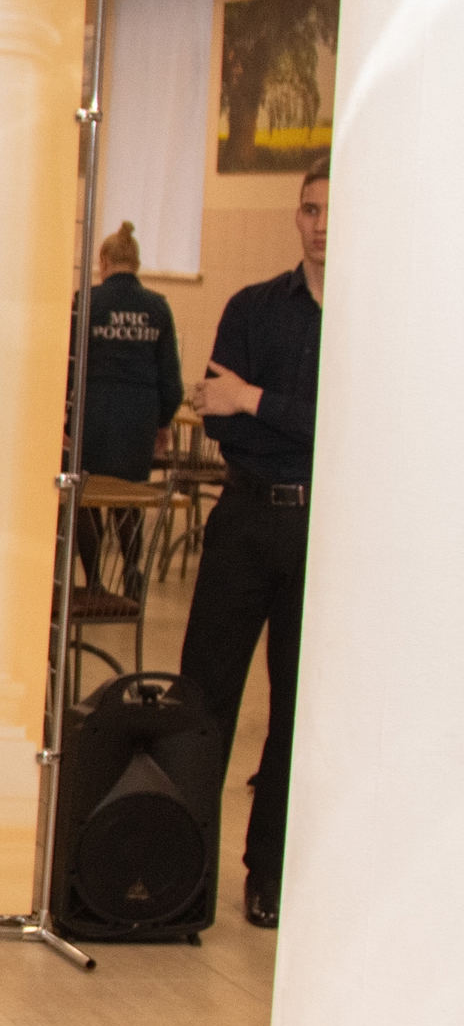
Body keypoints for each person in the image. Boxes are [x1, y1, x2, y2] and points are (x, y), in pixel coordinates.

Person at [180, 156, 327, 929]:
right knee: (203, 699)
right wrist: (275, 412)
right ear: (296, 216)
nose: (321, 225)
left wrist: (255, 398)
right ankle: (180, 872)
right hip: (242, 518)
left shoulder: (369, 320)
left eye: (333, 211)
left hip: (320, 530)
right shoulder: (252, 306)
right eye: (310, 209)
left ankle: (266, 873)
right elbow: (217, 417)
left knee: (295, 707)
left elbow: (346, 426)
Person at [71, 221, 184, 592]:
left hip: (93, 413)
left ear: (104, 261)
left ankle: (94, 581)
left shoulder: (86, 302)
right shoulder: (157, 307)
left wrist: (67, 421)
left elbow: (69, 365)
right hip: (138, 417)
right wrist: (162, 421)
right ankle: (132, 570)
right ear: (136, 263)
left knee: (88, 499)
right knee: (128, 496)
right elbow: (171, 379)